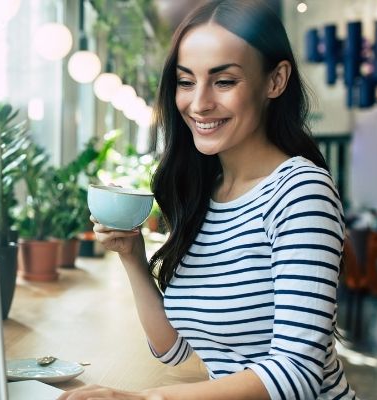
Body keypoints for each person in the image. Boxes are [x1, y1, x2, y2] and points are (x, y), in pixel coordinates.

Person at [60, 1, 356, 399]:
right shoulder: (207, 191)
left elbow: (297, 373)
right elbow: (173, 349)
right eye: (186, 81)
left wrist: (147, 399)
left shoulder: (301, 192)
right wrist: (132, 257)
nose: (198, 103)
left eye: (224, 81)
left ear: (276, 80)